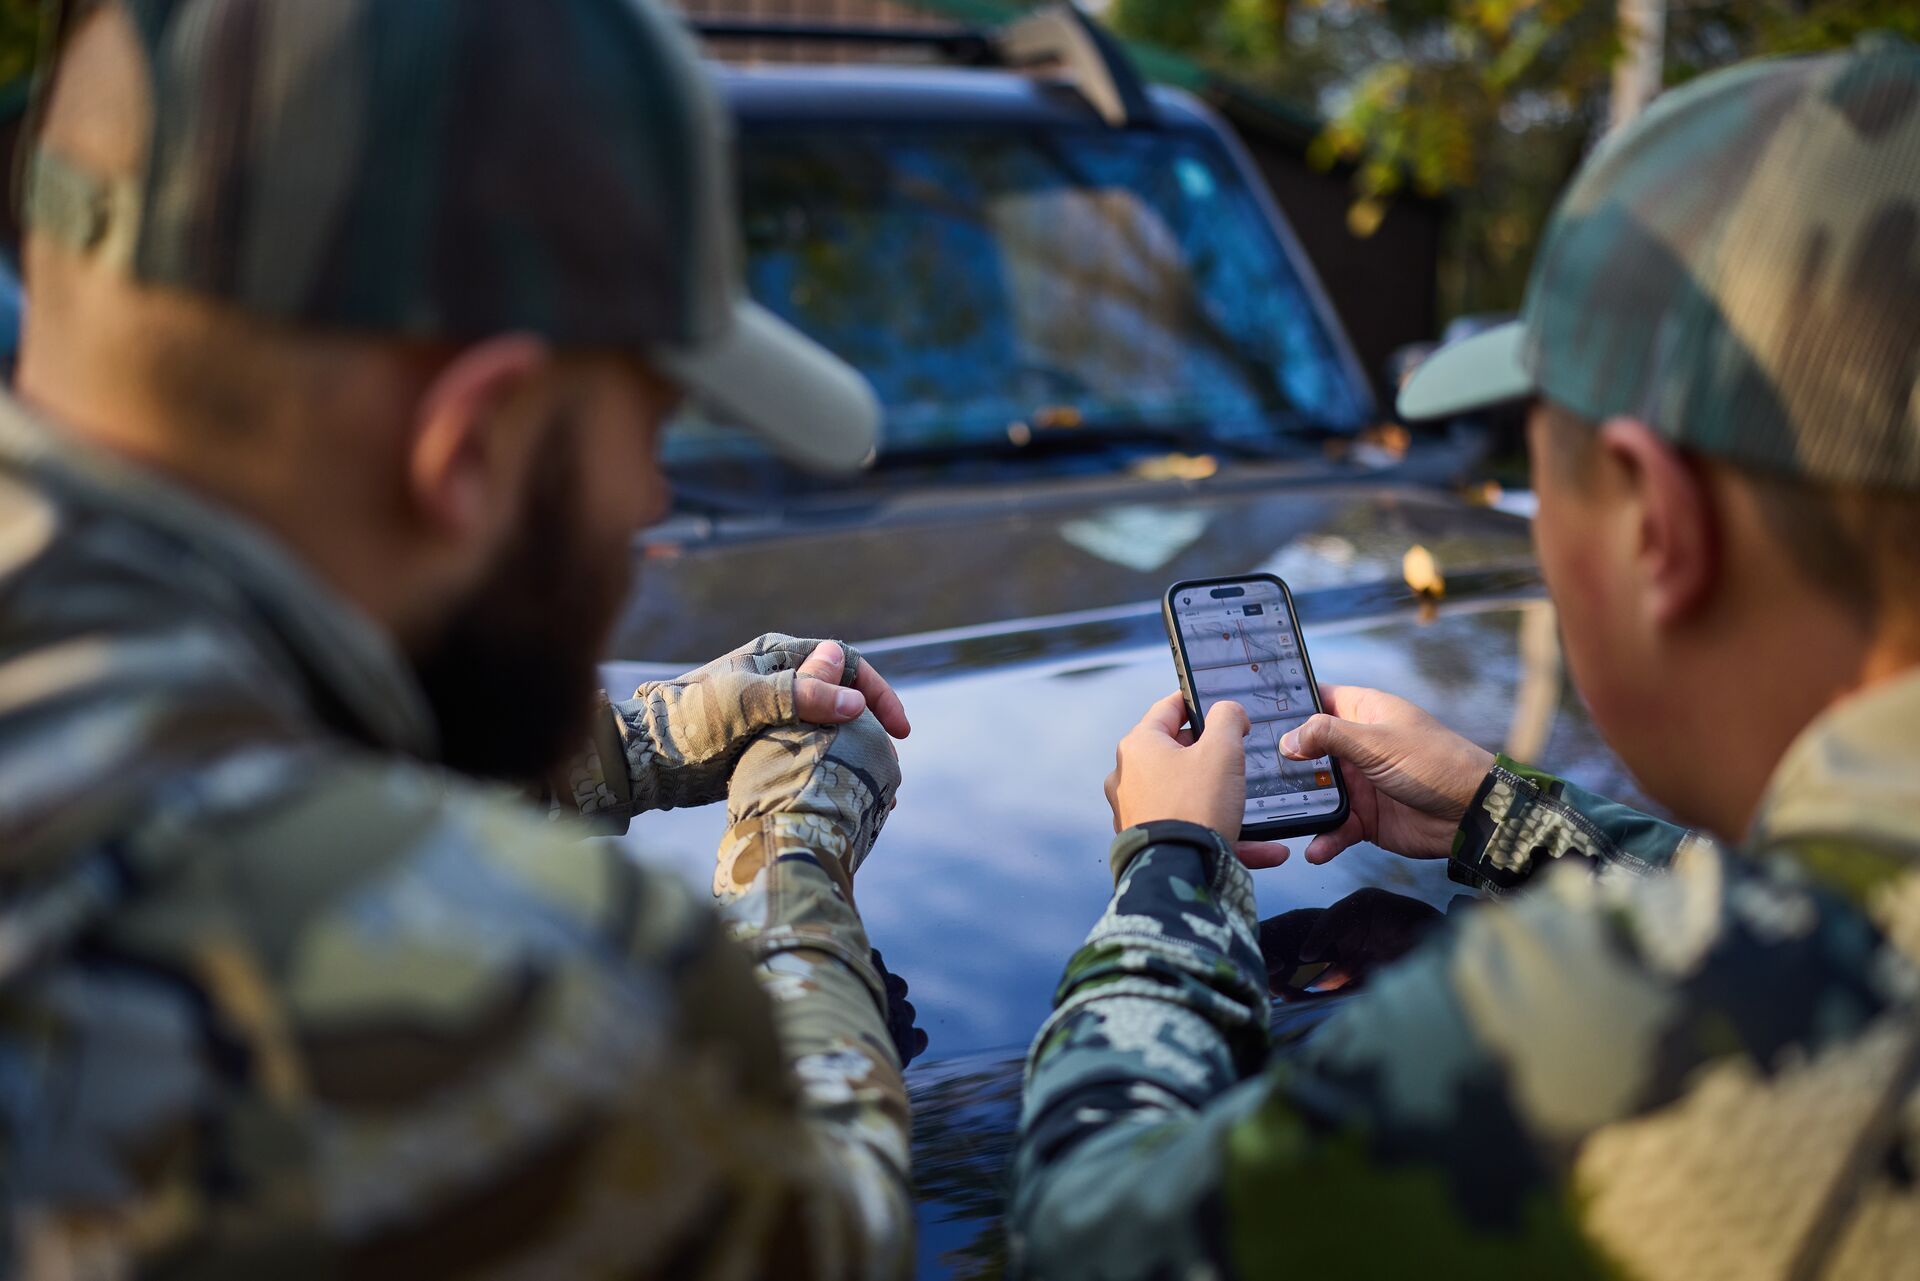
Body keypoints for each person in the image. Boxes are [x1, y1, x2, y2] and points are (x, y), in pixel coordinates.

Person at [0, 0, 920, 1275]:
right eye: (649, 432)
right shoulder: (527, 1004)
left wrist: (648, 740)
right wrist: (796, 868)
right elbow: (833, 1230)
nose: (649, 502)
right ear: (472, 444)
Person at [1012, 35, 1920, 1279]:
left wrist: (1170, 875)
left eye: (1543, 474)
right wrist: (1505, 815)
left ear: (1661, 528)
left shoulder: (1604, 1034)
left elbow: (1091, 1241)